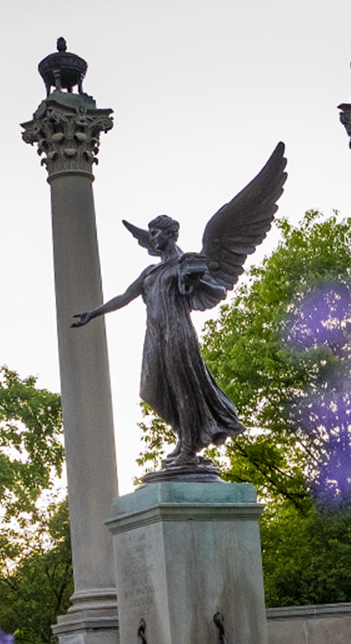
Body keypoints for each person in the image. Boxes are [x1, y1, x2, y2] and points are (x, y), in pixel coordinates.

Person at [71, 143, 287, 479]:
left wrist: (196, 279)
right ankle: (184, 441)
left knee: (183, 387)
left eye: (158, 231)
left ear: (170, 234)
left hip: (177, 333)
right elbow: (125, 297)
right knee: (152, 388)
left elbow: (215, 291)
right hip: (154, 336)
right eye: (151, 232)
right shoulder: (150, 273)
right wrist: (93, 313)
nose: (153, 236)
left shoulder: (188, 262)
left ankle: (188, 448)